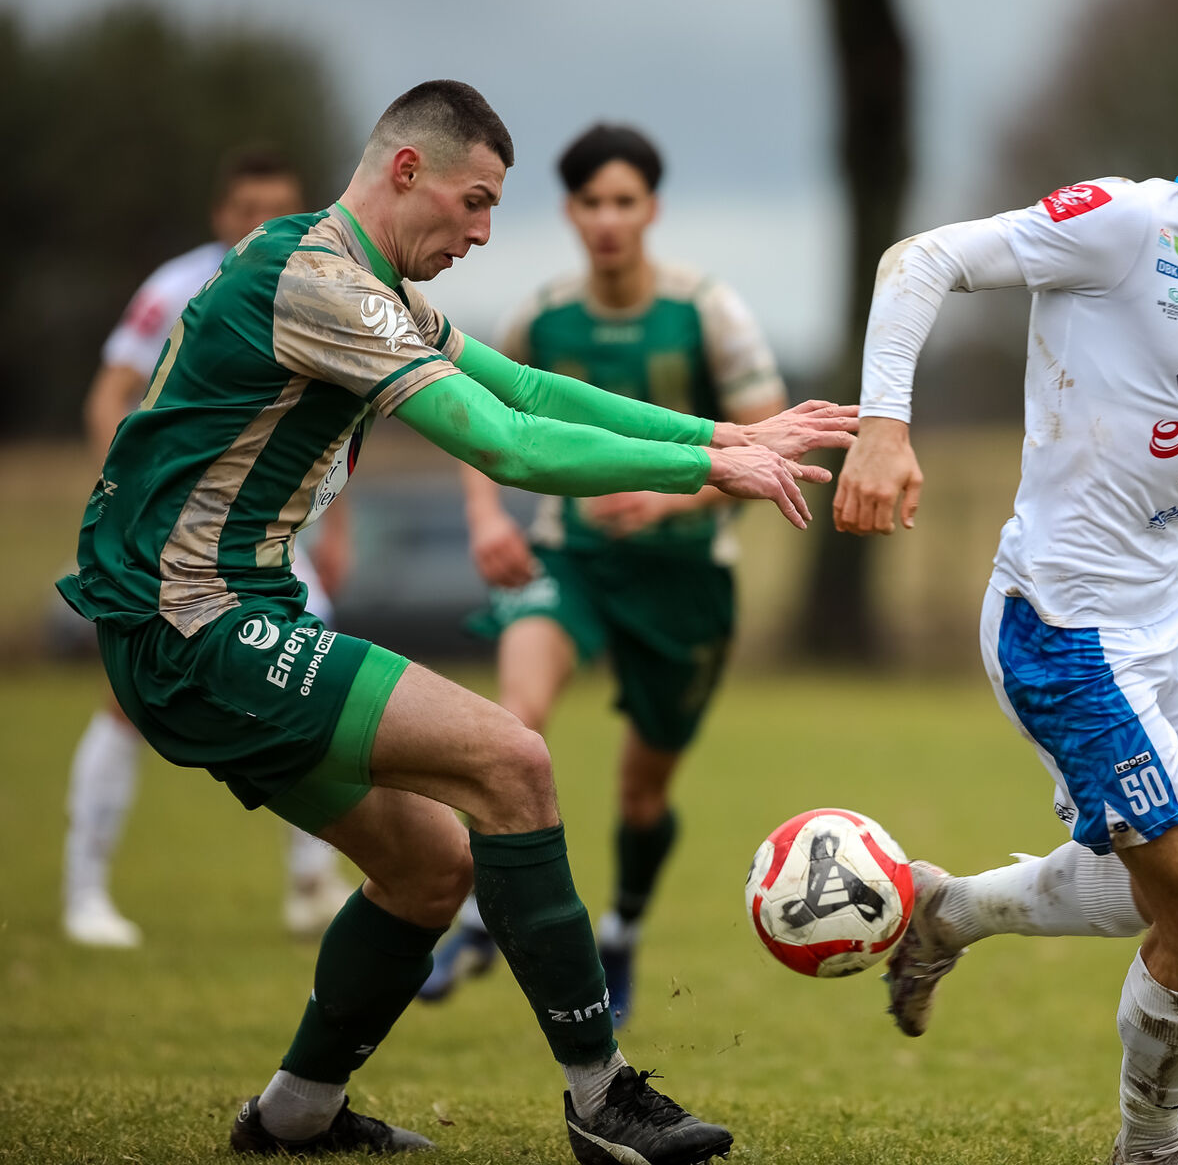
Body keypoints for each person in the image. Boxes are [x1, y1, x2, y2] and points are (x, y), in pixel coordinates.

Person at [56, 79, 855, 1163]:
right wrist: (709, 465)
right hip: (196, 625)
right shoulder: (322, 284)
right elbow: (507, 449)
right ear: (405, 172)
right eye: (474, 202)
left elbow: (526, 390)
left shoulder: (348, 272)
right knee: (512, 762)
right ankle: (601, 1096)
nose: (484, 232)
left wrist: (724, 428)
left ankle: (295, 1116)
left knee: (433, 869)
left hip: (225, 614)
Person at [834, 53, 1178, 1165]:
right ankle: (1151, 1144)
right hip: (1064, 630)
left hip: (1164, 631)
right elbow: (918, 258)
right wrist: (882, 427)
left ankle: (943, 913)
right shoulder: (1125, 226)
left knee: (1166, 902)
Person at [421, 125, 787, 1026]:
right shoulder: (541, 315)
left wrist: (670, 501)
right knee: (514, 726)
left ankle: (620, 928)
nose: (609, 219)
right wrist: (482, 517)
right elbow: (474, 410)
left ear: (651, 210)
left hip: (684, 581)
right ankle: (475, 915)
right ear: (571, 212)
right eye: (592, 202)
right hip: (568, 559)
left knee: (641, 791)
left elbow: (767, 434)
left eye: (626, 201)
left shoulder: (707, 311)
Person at [64, 146, 356, 947]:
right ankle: (83, 889)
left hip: (277, 546)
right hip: (172, 547)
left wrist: (340, 531)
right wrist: (121, 507)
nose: (264, 225)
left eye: (281, 208)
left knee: (318, 684)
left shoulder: (319, 284)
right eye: (248, 210)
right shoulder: (175, 288)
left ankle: (309, 880)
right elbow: (109, 397)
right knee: (126, 704)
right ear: (221, 215)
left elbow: (333, 424)